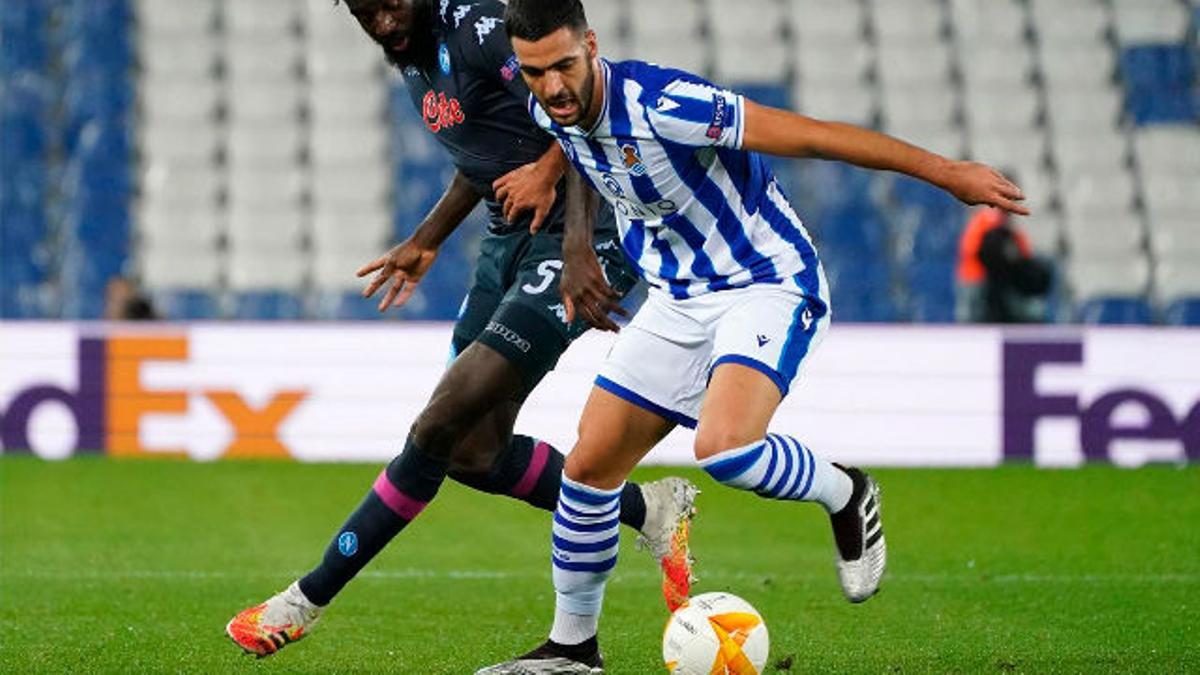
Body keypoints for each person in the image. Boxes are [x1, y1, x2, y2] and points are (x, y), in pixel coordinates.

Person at [476, 1, 1031, 672]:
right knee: (588, 469)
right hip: (678, 296)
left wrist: (947, 172)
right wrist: (567, 223)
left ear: (592, 45)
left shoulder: (665, 103)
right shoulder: (550, 108)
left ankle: (845, 491)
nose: (554, 86)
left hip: (765, 281)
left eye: (565, 65)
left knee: (725, 447)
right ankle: (573, 650)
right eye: (537, 73)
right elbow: (580, 149)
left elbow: (811, 135)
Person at [225, 0, 698, 658]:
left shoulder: (481, 29)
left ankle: (304, 599)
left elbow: (585, 111)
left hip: (584, 239)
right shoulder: (413, 54)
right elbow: (484, 157)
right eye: (366, 13)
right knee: (473, 452)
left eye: (391, 4)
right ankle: (649, 511)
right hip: (510, 241)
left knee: (436, 425)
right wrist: (428, 239)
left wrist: (581, 240)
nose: (384, 22)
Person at [956, 206, 1052, 323]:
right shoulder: (989, 218)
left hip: (982, 276)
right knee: (975, 314)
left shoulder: (995, 221)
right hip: (978, 275)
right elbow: (977, 249)